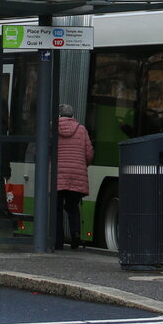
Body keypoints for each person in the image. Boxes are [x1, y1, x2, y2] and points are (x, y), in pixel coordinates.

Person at [55, 104, 93, 250]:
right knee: (72, 206)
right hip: (77, 174)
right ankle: (75, 232)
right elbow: (89, 153)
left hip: (58, 175)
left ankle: (58, 241)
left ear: (59, 115)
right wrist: (83, 165)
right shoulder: (82, 129)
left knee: (57, 208)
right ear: (72, 115)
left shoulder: (53, 128)